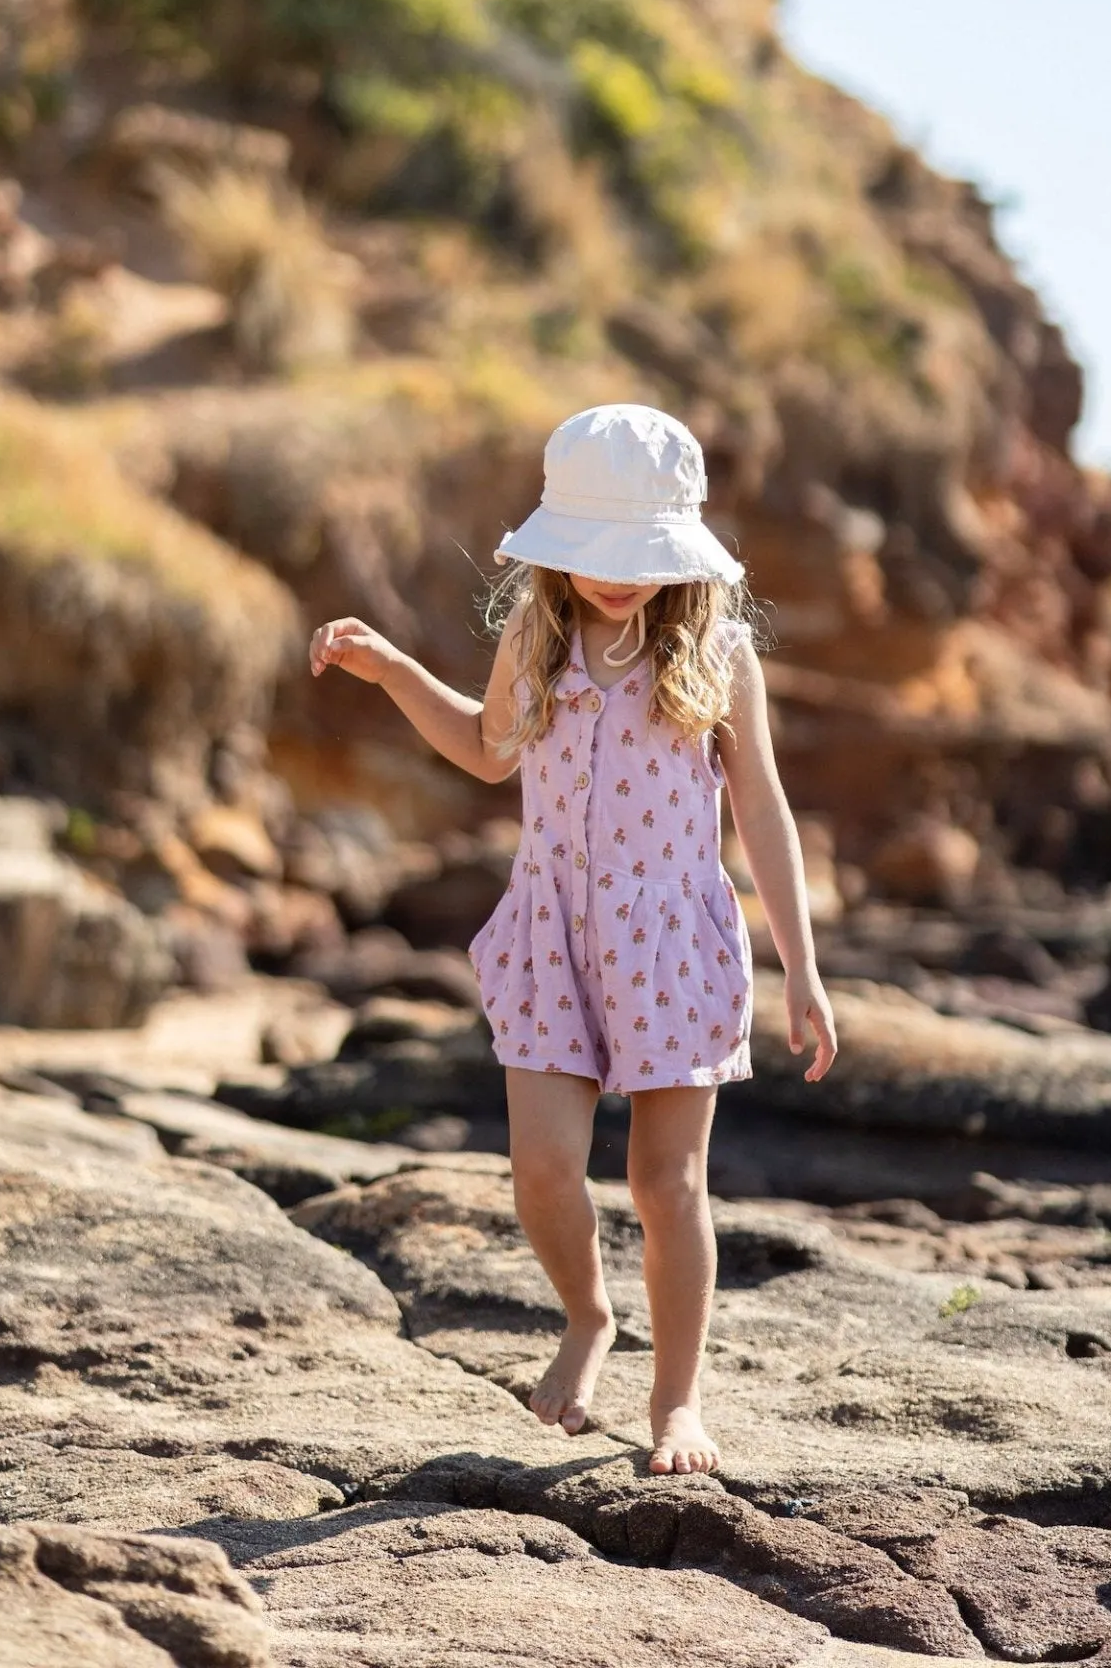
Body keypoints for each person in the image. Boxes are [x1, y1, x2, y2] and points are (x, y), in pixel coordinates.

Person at [310, 403, 837, 1476]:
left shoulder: (719, 653)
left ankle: (678, 1402)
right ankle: (588, 1313)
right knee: (543, 1168)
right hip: (554, 929)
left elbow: (768, 814)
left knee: (663, 1181)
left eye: (635, 557)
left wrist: (805, 970)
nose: (612, 578)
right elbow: (486, 748)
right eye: (593, 555)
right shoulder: (535, 635)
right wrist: (398, 672)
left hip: (671, 940)